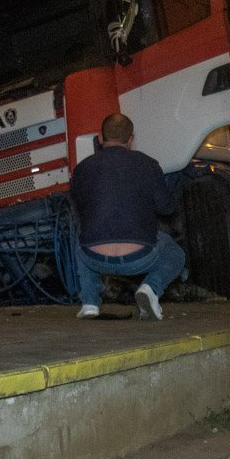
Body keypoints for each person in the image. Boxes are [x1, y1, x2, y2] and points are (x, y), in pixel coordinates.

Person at [70, 113, 186, 319]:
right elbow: (167, 208)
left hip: (94, 258)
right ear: (131, 139)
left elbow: (81, 212)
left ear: (99, 136)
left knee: (80, 236)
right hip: (140, 258)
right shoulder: (149, 165)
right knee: (176, 254)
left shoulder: (81, 169)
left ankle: (89, 302)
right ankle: (150, 288)